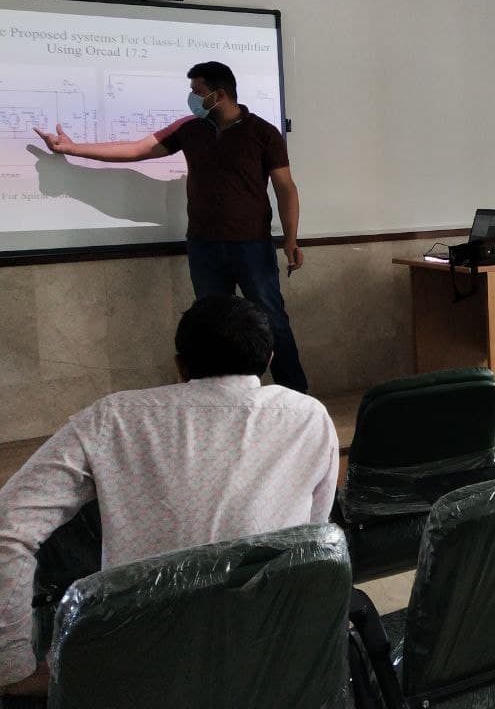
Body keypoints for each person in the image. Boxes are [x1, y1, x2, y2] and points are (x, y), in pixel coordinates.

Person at [0, 295, 339, 698]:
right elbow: (309, 548)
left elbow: (8, 526)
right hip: (270, 659)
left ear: (180, 365)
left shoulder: (113, 418)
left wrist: (13, 665)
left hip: (136, 673)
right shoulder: (310, 416)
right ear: (269, 358)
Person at [34, 61, 309, 394]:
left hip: (252, 245)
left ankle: (296, 396)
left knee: (271, 321)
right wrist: (73, 148)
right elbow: (137, 150)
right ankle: (215, 398)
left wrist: (291, 239)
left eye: (197, 91)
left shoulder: (263, 132)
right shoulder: (190, 129)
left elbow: (285, 188)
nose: (192, 98)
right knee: (212, 327)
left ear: (220, 94)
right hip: (204, 246)